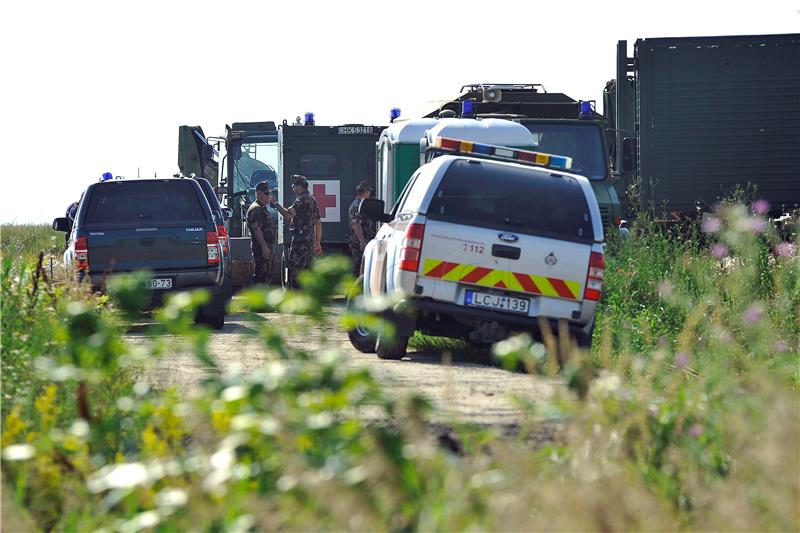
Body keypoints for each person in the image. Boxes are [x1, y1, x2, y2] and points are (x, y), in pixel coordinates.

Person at [271, 175, 322, 288]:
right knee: (308, 272)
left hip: (300, 242)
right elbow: (318, 222)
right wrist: (317, 242)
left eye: (294, 186)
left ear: (300, 187)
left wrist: (275, 203)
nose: (293, 189)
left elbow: (288, 215)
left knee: (295, 271)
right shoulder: (312, 200)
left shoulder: (301, 200)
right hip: (310, 241)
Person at [246, 182, 277, 284]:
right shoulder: (256, 209)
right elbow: (256, 229)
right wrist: (264, 247)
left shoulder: (261, 208)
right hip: (261, 248)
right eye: (266, 194)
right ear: (259, 194)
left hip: (266, 246)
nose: (269, 197)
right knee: (261, 275)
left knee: (266, 275)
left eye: (269, 194)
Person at [348, 180, 376, 276]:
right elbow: (356, 225)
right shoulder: (356, 206)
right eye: (368, 191)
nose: (369, 194)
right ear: (363, 191)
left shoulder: (361, 204)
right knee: (358, 268)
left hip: (363, 241)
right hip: (358, 243)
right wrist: (362, 241)